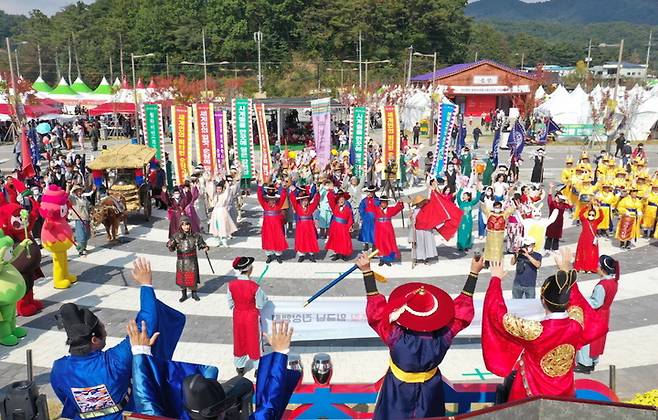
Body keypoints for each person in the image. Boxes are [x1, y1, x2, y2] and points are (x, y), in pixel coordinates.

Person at [51, 257, 185, 420]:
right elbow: (146, 325)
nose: (105, 330)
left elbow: (66, 400)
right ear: (94, 340)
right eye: (102, 328)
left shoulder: (58, 370)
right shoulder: (114, 362)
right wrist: (146, 284)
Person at [355, 252, 482, 419]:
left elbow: (376, 314)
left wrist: (366, 272)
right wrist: (474, 272)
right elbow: (461, 313)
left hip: (397, 392)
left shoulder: (396, 337)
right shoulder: (442, 336)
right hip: (430, 392)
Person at [481, 249, 607, 402]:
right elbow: (577, 302)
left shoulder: (534, 330)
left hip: (530, 396)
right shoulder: (576, 322)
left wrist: (495, 279)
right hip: (564, 394)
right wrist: (566, 269)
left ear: (543, 300)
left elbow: (496, 314)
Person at [574, 255, 620, 374]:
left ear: (603, 269)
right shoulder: (613, 282)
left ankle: (585, 364)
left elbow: (596, 302)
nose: (597, 267)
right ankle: (593, 361)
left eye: (599, 266)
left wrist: (583, 300)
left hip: (596, 314)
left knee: (588, 337)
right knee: (598, 339)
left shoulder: (602, 285)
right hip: (605, 313)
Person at [227, 256, 268, 375]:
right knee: (254, 340)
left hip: (238, 315)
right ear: (249, 269)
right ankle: (257, 367)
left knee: (239, 339)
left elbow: (230, 303)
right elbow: (260, 304)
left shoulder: (231, 285)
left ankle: (239, 366)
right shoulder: (255, 287)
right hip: (251, 316)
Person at [167, 216, 209, 302]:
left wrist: (205, 247)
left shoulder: (196, 235)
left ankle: (194, 293)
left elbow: (201, 243)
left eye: (187, 224)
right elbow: (171, 248)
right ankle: (184, 294)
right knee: (182, 278)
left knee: (192, 277)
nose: (186, 227)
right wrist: (170, 244)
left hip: (192, 261)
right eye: (184, 225)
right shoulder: (176, 236)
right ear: (180, 226)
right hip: (181, 261)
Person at [367, 195, 404, 266]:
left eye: (385, 202)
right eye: (382, 202)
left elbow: (398, 208)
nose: (383, 204)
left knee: (388, 243)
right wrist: (369, 198)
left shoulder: (390, 210)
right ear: (380, 203)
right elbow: (369, 206)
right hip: (379, 229)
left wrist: (400, 203)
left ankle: (387, 259)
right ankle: (381, 259)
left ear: (387, 203)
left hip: (388, 229)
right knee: (380, 244)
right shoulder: (376, 209)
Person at [256, 182, 288, 263]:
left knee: (278, 239)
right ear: (267, 199)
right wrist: (260, 187)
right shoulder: (264, 204)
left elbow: (283, 197)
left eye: (273, 199)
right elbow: (260, 197)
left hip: (277, 226)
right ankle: (269, 256)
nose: (271, 201)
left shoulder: (278, 204)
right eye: (270, 199)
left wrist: (283, 189)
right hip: (267, 226)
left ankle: (278, 256)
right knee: (268, 239)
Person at [289, 187, 320, 262]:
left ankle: (311, 255)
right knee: (301, 240)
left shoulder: (311, 207)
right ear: (301, 201)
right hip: (301, 227)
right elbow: (293, 200)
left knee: (310, 240)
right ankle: (301, 255)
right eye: (303, 201)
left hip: (309, 226)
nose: (305, 202)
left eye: (306, 201)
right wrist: (293, 191)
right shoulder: (297, 207)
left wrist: (318, 193)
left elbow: (316, 202)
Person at [408, 195, 438, 265]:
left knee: (427, 243)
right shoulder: (414, 211)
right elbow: (412, 222)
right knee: (419, 244)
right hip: (419, 230)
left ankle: (427, 258)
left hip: (427, 229)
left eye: (422, 202)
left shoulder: (427, 209)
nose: (421, 203)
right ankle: (418, 257)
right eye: (419, 202)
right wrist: (411, 218)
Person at [325, 189, 354, 261]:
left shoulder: (348, 209)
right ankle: (337, 254)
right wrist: (331, 190)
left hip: (344, 227)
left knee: (343, 241)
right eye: (340, 199)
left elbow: (350, 218)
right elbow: (330, 197)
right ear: (337, 200)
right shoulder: (334, 207)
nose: (341, 201)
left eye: (343, 199)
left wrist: (350, 226)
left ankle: (343, 254)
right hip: (335, 227)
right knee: (336, 240)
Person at [574, 205, 603, 272]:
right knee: (582, 252)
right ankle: (581, 266)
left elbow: (601, 217)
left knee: (591, 253)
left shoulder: (596, 221)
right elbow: (580, 213)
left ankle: (591, 267)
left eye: (593, 215)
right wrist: (586, 207)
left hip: (592, 240)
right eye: (589, 214)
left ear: (595, 216)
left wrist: (600, 209)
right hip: (583, 239)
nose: (591, 216)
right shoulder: (584, 220)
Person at [209, 181, 238, 247]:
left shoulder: (224, 195)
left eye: (220, 189)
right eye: (217, 189)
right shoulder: (215, 195)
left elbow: (227, 190)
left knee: (223, 226)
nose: (218, 190)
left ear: (222, 189)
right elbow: (210, 188)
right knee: (216, 226)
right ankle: (218, 240)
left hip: (222, 211)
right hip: (216, 211)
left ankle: (224, 241)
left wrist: (226, 182)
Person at [544, 187, 571, 253]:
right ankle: (547, 248)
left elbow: (570, 206)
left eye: (558, 197)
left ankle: (555, 248)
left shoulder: (563, 204)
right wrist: (550, 188)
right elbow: (549, 198)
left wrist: (566, 199)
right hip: (551, 221)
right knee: (549, 235)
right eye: (556, 197)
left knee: (557, 236)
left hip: (559, 222)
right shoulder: (552, 203)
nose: (557, 198)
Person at [69, 185, 91, 256]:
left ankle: (84, 247)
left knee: (87, 234)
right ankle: (80, 250)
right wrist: (68, 186)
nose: (79, 192)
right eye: (77, 191)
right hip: (79, 219)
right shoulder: (73, 199)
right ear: (75, 192)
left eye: (80, 190)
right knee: (81, 235)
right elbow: (66, 196)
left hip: (86, 217)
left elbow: (88, 206)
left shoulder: (84, 198)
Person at [358, 185, 379, 251]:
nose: (370, 193)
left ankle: (374, 245)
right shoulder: (364, 200)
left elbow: (379, 209)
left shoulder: (377, 200)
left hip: (375, 219)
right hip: (366, 218)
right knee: (366, 232)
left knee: (374, 232)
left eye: (371, 192)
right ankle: (366, 245)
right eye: (368, 192)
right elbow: (361, 209)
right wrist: (363, 216)